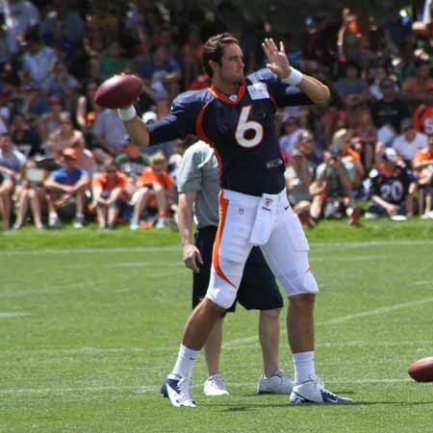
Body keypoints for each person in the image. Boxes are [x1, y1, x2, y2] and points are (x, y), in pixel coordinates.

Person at [120, 34, 350, 406]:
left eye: (242, 57)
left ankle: (306, 383)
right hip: (239, 206)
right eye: (232, 59)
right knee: (218, 297)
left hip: (278, 203)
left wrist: (290, 73)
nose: (241, 64)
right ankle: (177, 378)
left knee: (304, 291)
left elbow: (321, 95)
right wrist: (125, 110)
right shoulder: (198, 104)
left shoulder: (264, 83)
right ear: (213, 65)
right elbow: (144, 137)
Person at [176, 140, 292, 398]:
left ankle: (271, 375)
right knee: (214, 309)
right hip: (213, 233)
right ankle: (213, 377)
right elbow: (185, 200)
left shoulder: (250, 144)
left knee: (271, 304)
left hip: (250, 235)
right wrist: (187, 244)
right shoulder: (198, 153)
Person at [43, 148, 90, 228]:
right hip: (60, 200)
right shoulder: (57, 172)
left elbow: (85, 181)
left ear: (75, 160)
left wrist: (70, 192)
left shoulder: (81, 172)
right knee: (50, 191)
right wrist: (64, 188)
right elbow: (47, 183)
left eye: (70, 159)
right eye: (66, 159)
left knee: (81, 191)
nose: (68, 161)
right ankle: (53, 216)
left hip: (76, 200)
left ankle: (79, 217)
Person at [365, 147, 415, 219]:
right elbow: (373, 195)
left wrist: (409, 195)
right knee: (371, 209)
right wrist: (387, 206)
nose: (393, 163)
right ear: (384, 161)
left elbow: (413, 181)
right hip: (384, 204)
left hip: (400, 203)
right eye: (390, 161)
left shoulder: (401, 170)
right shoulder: (376, 173)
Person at [130, 152, 175, 230]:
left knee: (158, 189)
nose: (158, 166)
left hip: (161, 203)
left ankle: (161, 218)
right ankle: (135, 219)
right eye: (156, 163)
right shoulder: (147, 173)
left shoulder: (165, 176)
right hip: (146, 202)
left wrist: (160, 191)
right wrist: (154, 187)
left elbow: (172, 195)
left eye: (160, 163)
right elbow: (139, 186)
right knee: (145, 191)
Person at [91, 160, 127, 230]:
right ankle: (102, 224)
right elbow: (97, 193)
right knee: (103, 196)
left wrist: (109, 201)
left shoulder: (121, 177)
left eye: (113, 171)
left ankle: (110, 224)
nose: (111, 173)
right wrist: (102, 200)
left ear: (117, 170)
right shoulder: (99, 177)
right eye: (108, 171)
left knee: (115, 200)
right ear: (105, 170)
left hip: (121, 202)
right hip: (103, 201)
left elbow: (116, 192)